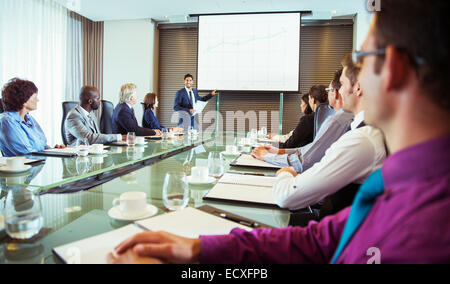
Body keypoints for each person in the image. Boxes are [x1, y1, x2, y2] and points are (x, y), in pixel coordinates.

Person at [108, 0, 450, 264]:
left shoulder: (430, 232)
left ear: (391, 70)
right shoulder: (396, 182)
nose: (351, 82)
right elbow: (319, 241)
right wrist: (201, 250)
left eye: (363, 58)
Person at [272, 55, 386, 217]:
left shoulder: (361, 140)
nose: (338, 91)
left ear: (357, 88)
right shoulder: (368, 130)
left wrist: (285, 173)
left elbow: (286, 196)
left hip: (335, 232)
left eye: (342, 84)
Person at [253, 82, 354, 173]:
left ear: (335, 92)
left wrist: (267, 157)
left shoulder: (336, 122)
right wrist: (279, 151)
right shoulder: (331, 118)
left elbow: (305, 160)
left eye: (329, 90)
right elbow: (309, 149)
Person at [0, 78, 50, 157]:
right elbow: (25, 152)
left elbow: (43, 144)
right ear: (24, 100)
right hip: (21, 167)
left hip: (36, 164)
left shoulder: (29, 118)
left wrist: (54, 150)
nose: (38, 100)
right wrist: (45, 150)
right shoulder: (7, 120)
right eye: (34, 97)